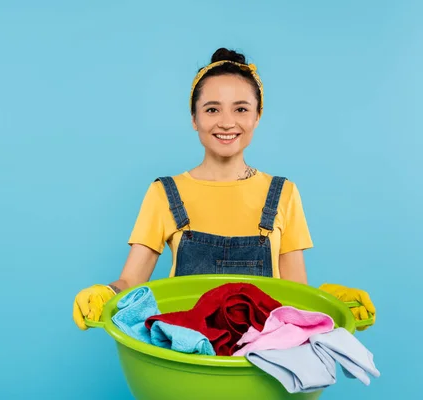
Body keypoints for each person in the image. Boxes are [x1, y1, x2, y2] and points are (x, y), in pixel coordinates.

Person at [72, 47, 376, 332]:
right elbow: (130, 282)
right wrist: (105, 293)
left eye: (241, 109)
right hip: (186, 353)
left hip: (262, 360)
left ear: (258, 116)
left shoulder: (283, 193)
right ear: (194, 118)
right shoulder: (164, 193)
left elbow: (295, 295)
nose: (227, 122)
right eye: (212, 109)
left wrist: (331, 302)